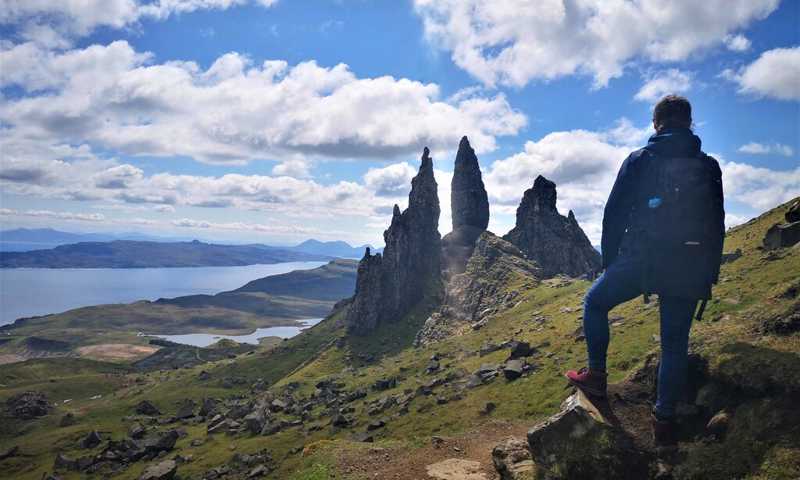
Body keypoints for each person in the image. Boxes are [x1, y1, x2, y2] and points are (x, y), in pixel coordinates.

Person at [565, 95, 725, 445]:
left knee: (595, 303)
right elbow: (717, 222)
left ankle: (596, 376)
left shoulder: (639, 160)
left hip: (643, 260)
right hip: (690, 264)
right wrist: (709, 272)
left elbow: (614, 213)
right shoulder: (709, 166)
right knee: (674, 344)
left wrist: (609, 263)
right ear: (690, 122)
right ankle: (664, 423)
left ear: (657, 124)